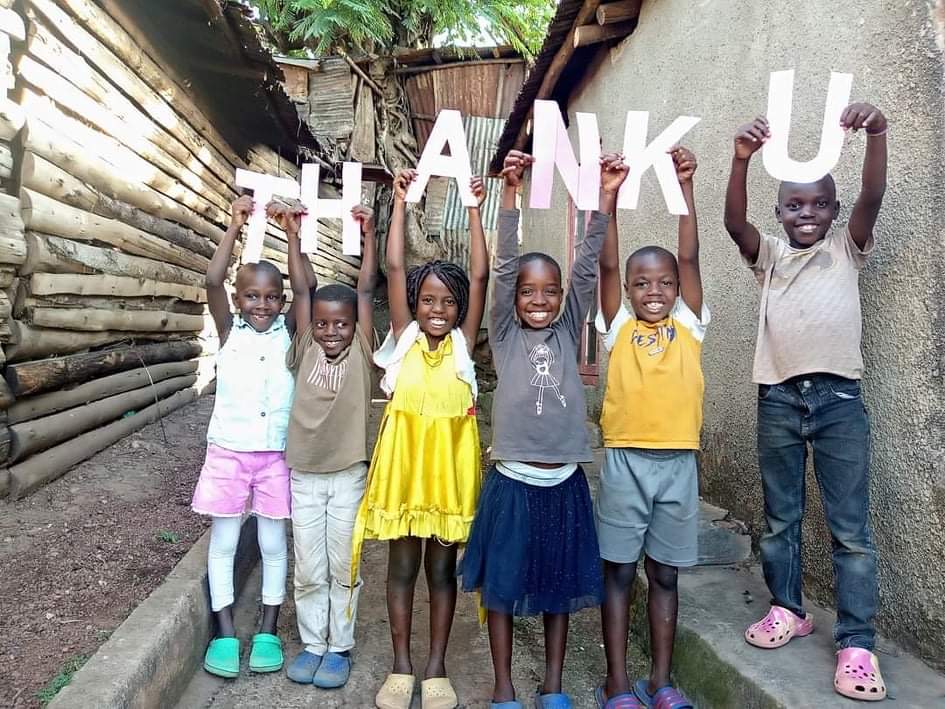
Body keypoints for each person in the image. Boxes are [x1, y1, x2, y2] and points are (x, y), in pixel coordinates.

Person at [723, 103, 888, 702]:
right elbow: (733, 223)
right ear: (779, 213)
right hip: (779, 400)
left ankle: (857, 642)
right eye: (794, 205)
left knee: (850, 530)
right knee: (781, 519)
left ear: (835, 211)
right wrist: (740, 160)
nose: (808, 213)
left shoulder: (847, 247)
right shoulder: (768, 256)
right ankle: (788, 609)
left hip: (840, 400)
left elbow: (873, 195)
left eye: (820, 204)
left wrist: (878, 134)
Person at [461, 149, 629, 709]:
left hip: (564, 484)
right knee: (502, 589)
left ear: (562, 298)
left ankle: (553, 684)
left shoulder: (567, 328)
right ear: (514, 298)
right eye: (529, 291)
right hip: (512, 481)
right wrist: (510, 193)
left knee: (559, 590)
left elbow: (586, 265)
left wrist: (605, 198)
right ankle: (504, 685)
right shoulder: (505, 333)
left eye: (550, 291)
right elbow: (504, 266)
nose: (539, 299)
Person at [351, 171, 490, 709]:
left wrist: (474, 208)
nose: (437, 310)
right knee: (402, 568)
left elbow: (479, 275)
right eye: (428, 300)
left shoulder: (463, 346)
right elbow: (393, 266)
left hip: (448, 475)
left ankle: (436, 666)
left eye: (448, 302)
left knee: (440, 571)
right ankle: (401, 665)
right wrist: (402, 201)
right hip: (404, 471)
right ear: (414, 302)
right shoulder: (405, 336)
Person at [593, 147, 705, 709]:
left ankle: (660, 682)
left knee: (665, 574)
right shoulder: (617, 326)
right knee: (618, 572)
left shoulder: (689, 325)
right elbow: (608, 267)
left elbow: (690, 255)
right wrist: (608, 198)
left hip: (678, 465)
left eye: (664, 283)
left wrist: (685, 187)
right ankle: (617, 683)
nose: (654, 291)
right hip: (624, 463)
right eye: (642, 283)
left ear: (678, 290)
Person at [265, 201, 378, 689]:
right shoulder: (306, 346)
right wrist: (293, 236)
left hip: (348, 474)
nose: (332, 331)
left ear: (356, 327)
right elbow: (301, 290)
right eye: (324, 323)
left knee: (343, 566)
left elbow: (366, 289)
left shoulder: (362, 351)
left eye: (342, 324)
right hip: (305, 475)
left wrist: (371, 236)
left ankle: (339, 646)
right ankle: (313, 643)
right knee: (309, 566)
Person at [192, 194, 304, 678]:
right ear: (238, 300)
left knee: (273, 543)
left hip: (275, 455)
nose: (262, 304)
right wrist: (234, 226)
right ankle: (224, 633)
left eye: (272, 297)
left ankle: (267, 630)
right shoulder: (229, 330)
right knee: (225, 541)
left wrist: (293, 234)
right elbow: (212, 280)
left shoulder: (290, 333)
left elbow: (307, 287)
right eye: (252, 296)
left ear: (282, 301)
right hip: (228, 454)